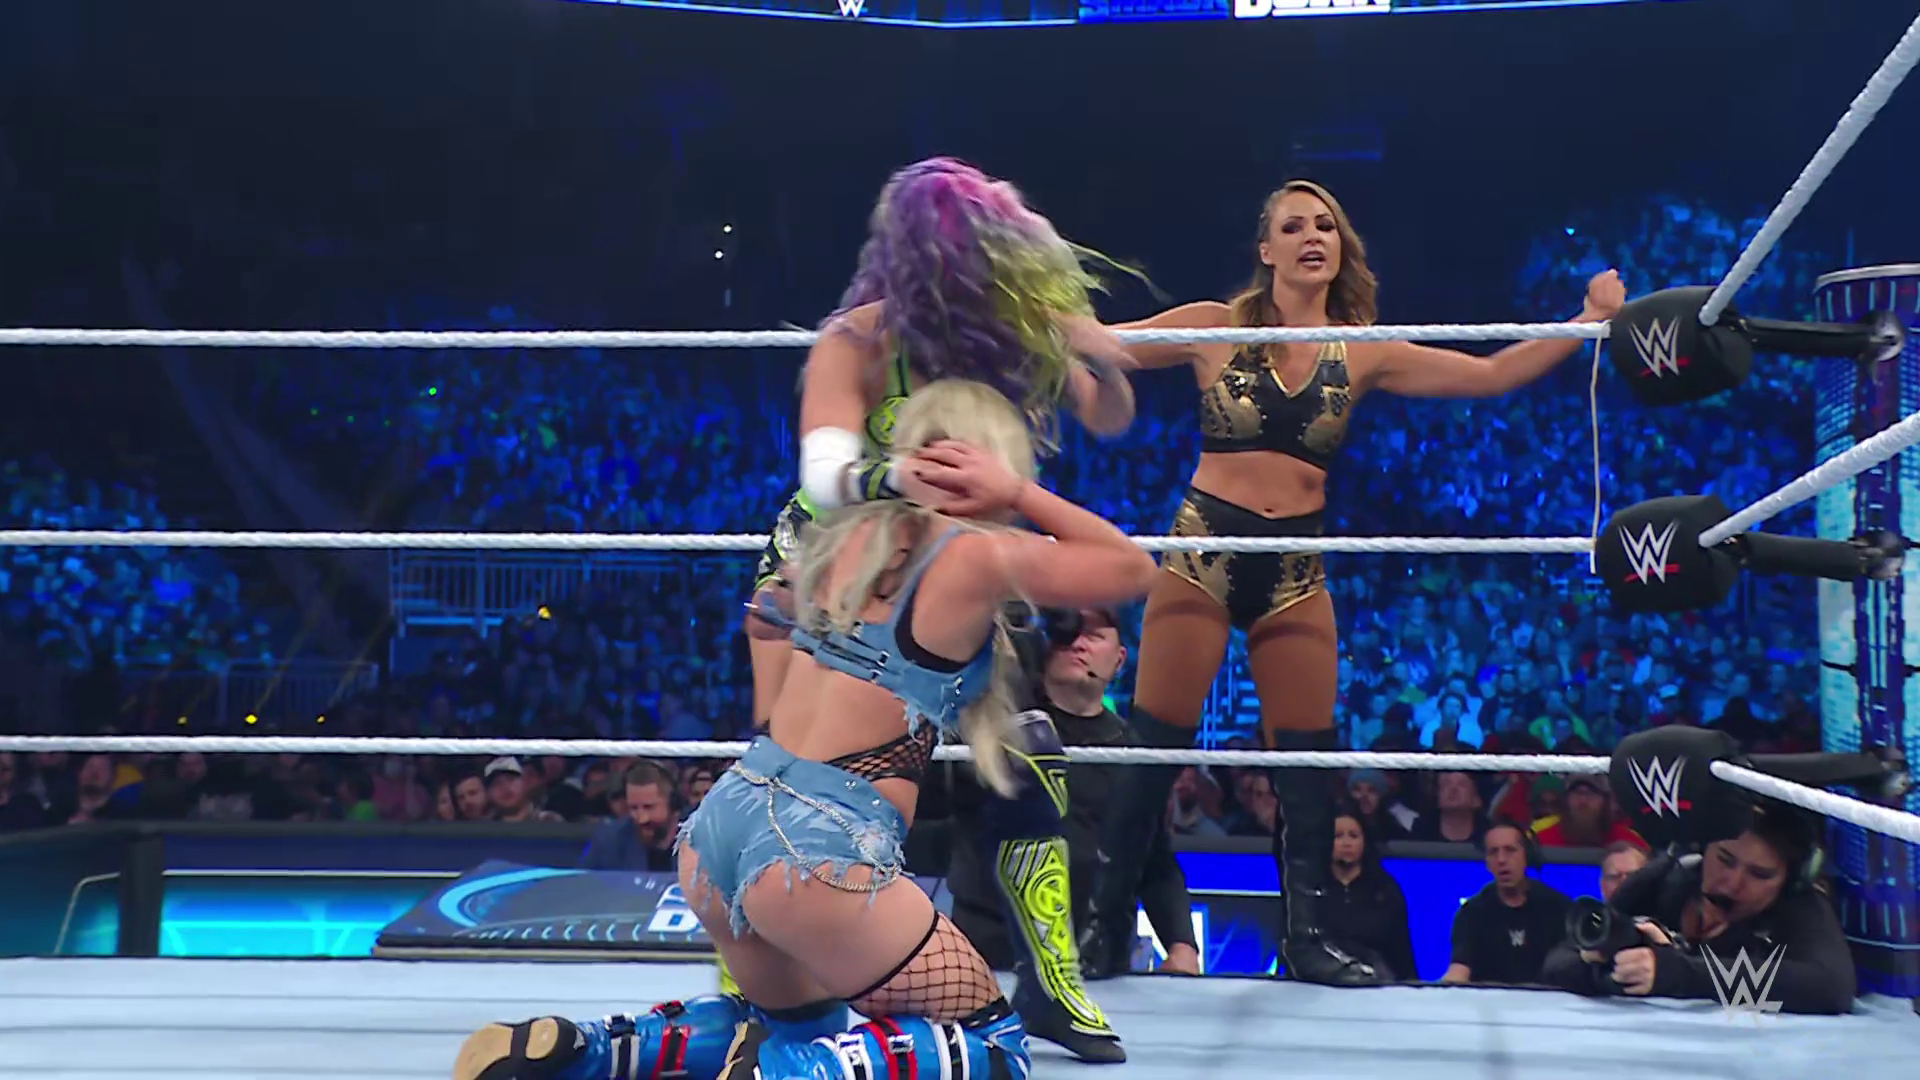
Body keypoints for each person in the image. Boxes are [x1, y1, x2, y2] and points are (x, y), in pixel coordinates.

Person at [454, 380, 1160, 1080]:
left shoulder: (839, 539)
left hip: (721, 826)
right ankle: (791, 1076)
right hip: (818, 849)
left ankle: (593, 1049)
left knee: (797, 1025)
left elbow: (768, 632)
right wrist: (1018, 494)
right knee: (997, 1048)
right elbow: (1133, 570)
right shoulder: (975, 556)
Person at [1084, 178, 1627, 985]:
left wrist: (1586, 322)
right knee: (1153, 753)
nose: (1313, 236)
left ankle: (1307, 939)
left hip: (1297, 565)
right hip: (1205, 553)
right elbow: (1103, 344)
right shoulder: (1214, 326)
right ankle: (1100, 930)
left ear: (1341, 247)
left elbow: (1487, 375)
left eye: (1326, 225)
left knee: (1306, 765)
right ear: (1266, 250)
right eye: (1294, 226)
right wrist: (1002, 304)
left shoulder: (1364, 348)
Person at [741, 156, 1141, 1043]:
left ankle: (1052, 980)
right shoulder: (859, 338)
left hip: (953, 565)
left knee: (1025, 748)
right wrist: (904, 476)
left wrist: (1099, 356)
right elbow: (822, 471)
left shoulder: (1010, 332)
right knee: (787, 755)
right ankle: (759, 968)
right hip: (840, 563)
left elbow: (1109, 414)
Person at [938, 607, 1197, 1062]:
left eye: (1094, 634)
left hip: (1101, 956)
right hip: (990, 952)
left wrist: (1181, 943)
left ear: (1119, 659)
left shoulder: (1132, 750)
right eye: (1066, 632)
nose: (1077, 642)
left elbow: (1154, 857)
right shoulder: (990, 728)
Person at [1538, 802, 1855, 1014]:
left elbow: (1831, 989)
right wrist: (1603, 969)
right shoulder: (1665, 877)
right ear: (1703, 848)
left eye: (1759, 874)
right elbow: (1558, 961)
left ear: (1789, 879)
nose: (1733, 884)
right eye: (1725, 860)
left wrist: (1678, 972)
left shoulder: (1798, 905)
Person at [1441, 819, 1572, 986]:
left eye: (1510, 850)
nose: (1501, 859)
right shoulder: (1472, 913)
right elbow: (1459, 970)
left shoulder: (1558, 907)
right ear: (1487, 863)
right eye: (1493, 852)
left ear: (1526, 855)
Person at [1321, 805, 1416, 982]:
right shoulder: (1310, 886)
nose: (1346, 843)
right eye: (1338, 836)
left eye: (1353, 836)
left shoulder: (1385, 889)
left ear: (1364, 842)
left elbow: (1401, 950)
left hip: (1376, 983)